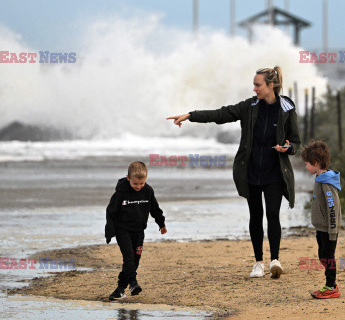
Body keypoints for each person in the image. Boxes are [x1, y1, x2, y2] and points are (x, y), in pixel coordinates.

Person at [167, 66, 300, 278]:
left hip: (275, 172)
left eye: (258, 84)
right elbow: (221, 114)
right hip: (251, 172)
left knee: (273, 215)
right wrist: (191, 115)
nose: (254, 88)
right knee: (255, 217)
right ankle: (258, 263)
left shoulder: (287, 108)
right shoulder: (249, 106)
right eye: (254, 84)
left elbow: (296, 142)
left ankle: (275, 260)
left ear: (270, 85)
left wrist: (288, 148)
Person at [105, 161, 167, 300]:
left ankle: (120, 289)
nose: (138, 186)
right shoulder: (121, 192)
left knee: (135, 261)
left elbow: (155, 209)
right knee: (129, 259)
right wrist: (109, 230)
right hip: (123, 230)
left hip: (139, 231)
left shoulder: (148, 191)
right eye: (135, 184)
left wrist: (161, 223)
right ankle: (133, 282)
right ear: (128, 178)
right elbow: (111, 211)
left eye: (141, 183)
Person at [301, 141, 342, 299]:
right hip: (321, 227)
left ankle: (331, 286)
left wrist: (332, 229)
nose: (306, 167)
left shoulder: (326, 182)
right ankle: (329, 285)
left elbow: (333, 207)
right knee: (323, 256)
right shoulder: (320, 178)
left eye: (306, 164)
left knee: (328, 257)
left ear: (315, 163)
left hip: (329, 228)